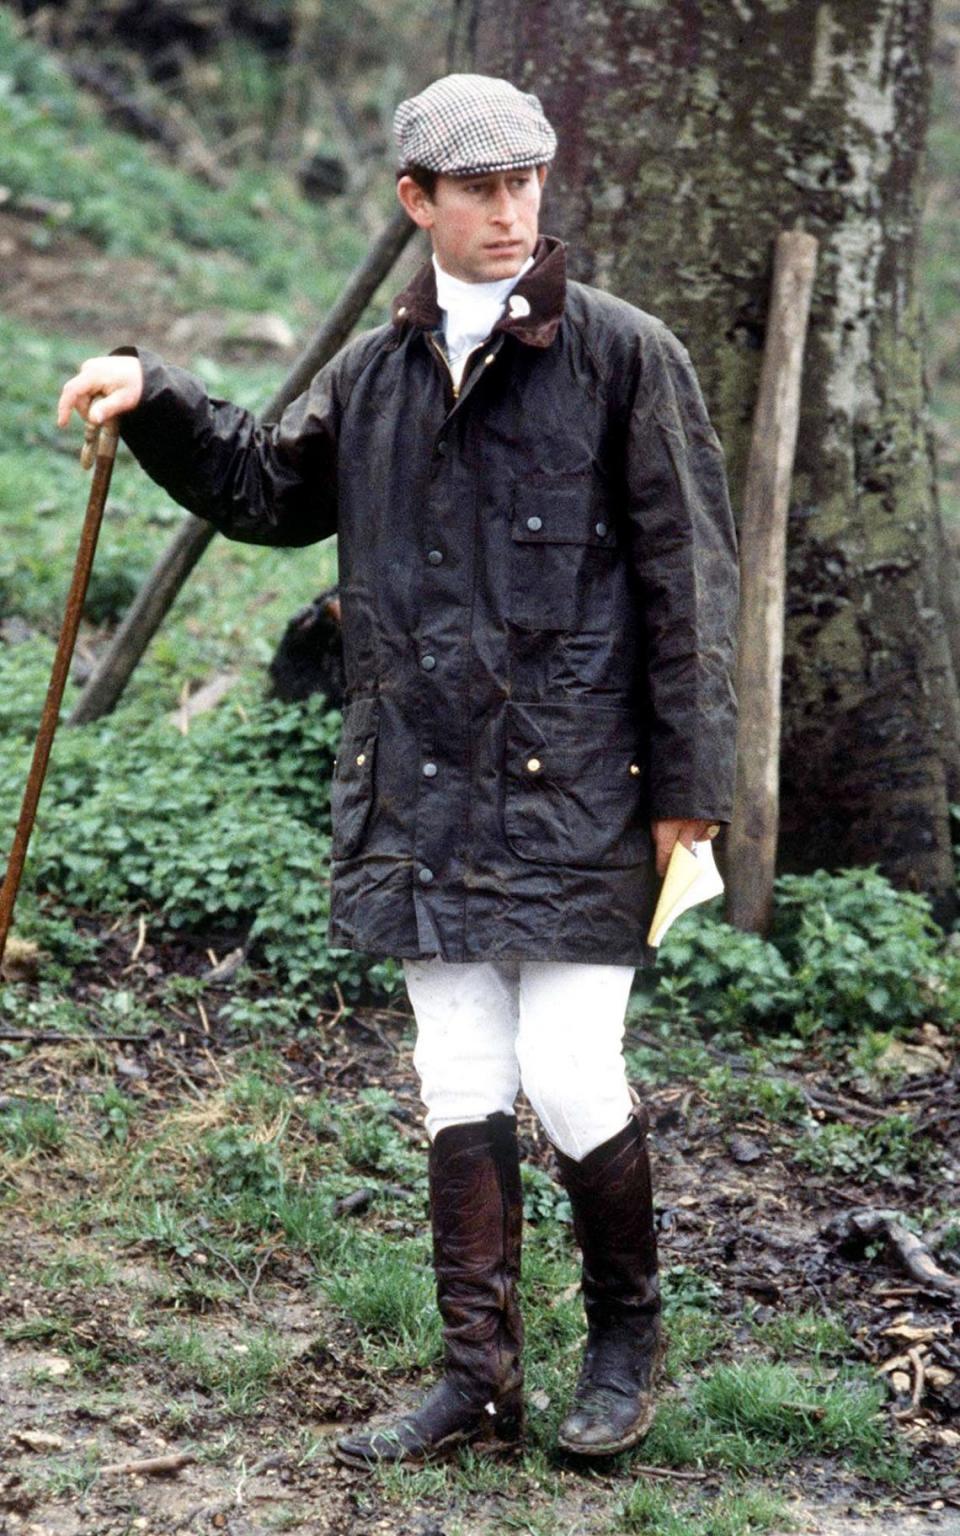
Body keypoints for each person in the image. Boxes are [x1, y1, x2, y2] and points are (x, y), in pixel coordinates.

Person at [57, 73, 739, 1467]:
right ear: (415, 202)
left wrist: (691, 791)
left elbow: (692, 592)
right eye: (478, 187)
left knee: (566, 1068)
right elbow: (268, 490)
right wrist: (157, 394)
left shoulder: (625, 358)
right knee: (458, 1074)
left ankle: (625, 1342)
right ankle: (477, 1382)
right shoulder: (374, 378)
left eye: (527, 182)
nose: (510, 209)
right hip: (420, 789)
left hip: (584, 789)